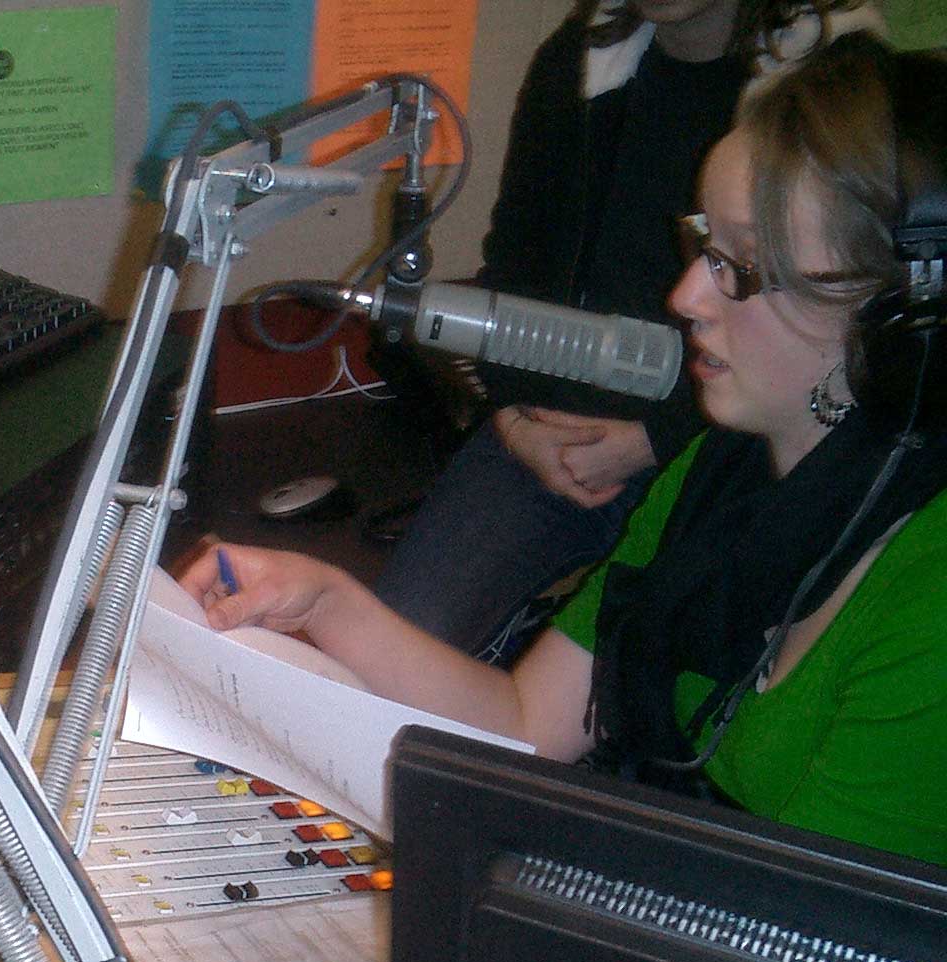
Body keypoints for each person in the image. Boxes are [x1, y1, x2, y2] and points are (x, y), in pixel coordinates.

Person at [183, 31, 947, 863]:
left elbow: (815, 951)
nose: (686, 294)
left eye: (743, 267)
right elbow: (528, 722)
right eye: (703, 246)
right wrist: (325, 600)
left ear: (899, 316)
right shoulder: (713, 472)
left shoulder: (928, 595)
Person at [370, 0, 882, 665]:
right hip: (548, 431)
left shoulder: (833, 88)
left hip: (730, 449)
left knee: (673, 677)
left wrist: (657, 437)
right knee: (390, 657)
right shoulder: (577, 63)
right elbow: (515, 263)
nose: (689, 294)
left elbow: (839, 341)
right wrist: (517, 420)